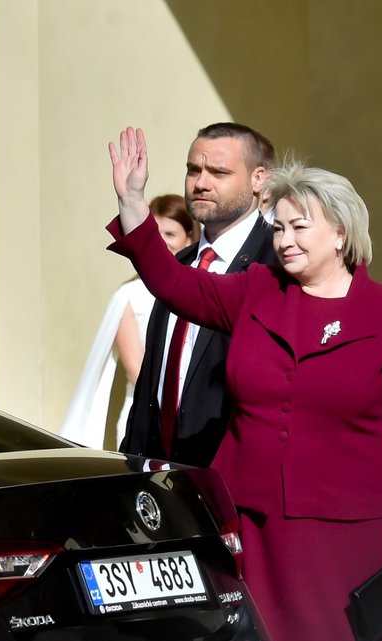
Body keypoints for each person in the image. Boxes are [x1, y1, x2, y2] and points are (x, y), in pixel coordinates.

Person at [107, 126, 382, 641]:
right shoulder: (258, 291)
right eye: (279, 227)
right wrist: (131, 200)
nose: (283, 241)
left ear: (340, 233)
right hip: (251, 523)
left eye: (298, 228)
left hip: (344, 531)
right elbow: (172, 283)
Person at [118, 122, 278, 467]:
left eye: (218, 172)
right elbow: (151, 384)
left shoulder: (277, 266)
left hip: (233, 488)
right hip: (156, 483)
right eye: (194, 170)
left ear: (258, 179)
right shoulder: (181, 264)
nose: (201, 183)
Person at [60, 195, 197, 448]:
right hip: (146, 421)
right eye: (157, 233)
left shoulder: (201, 293)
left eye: (171, 234)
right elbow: (136, 369)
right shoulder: (129, 296)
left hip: (197, 425)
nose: (163, 242)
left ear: (190, 238)